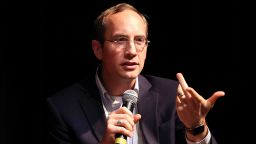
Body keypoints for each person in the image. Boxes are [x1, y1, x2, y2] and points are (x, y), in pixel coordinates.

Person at [46, 2, 225, 144]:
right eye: (120, 40)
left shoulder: (172, 96)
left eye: (139, 40)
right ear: (98, 49)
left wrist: (196, 129)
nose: (132, 50)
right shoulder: (63, 108)